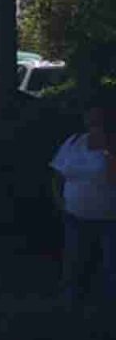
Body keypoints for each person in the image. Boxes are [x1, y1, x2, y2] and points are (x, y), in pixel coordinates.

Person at [52, 97, 116, 306]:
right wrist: (60, 201)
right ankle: (70, 303)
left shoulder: (112, 145)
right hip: (74, 215)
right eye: (91, 118)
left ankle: (107, 308)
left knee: (110, 266)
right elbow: (58, 174)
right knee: (73, 262)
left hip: (109, 218)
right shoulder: (74, 141)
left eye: (99, 119)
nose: (94, 123)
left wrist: (108, 150)